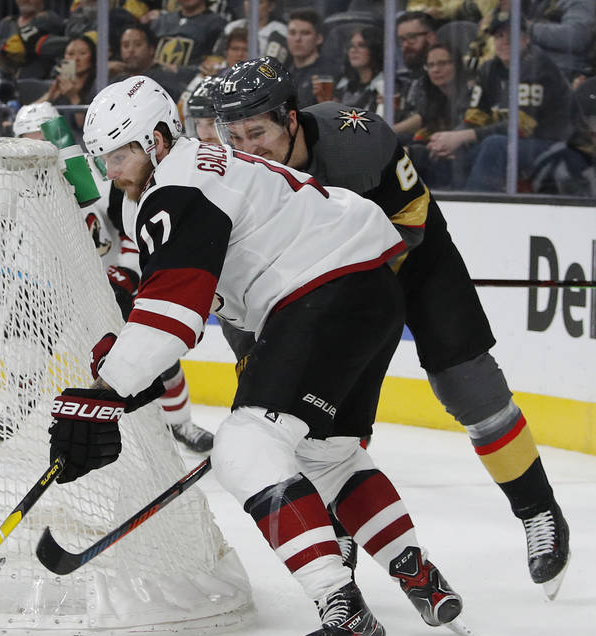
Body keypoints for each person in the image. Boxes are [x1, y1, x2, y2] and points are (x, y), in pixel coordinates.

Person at [51, 75, 466, 636]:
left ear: (158, 138)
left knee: (245, 447)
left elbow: (172, 317)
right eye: (105, 159)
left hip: (322, 289)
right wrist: (118, 373)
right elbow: (163, 306)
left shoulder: (177, 185)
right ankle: (419, 575)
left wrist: (102, 392)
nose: (113, 170)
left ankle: (349, 620)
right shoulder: (195, 171)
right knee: (329, 456)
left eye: (121, 154)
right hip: (368, 288)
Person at [211, 56, 570, 599]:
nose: (246, 149)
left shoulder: (357, 141)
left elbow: (413, 221)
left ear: (290, 119)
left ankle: (537, 508)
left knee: (466, 382)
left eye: (256, 132)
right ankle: (342, 520)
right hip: (317, 293)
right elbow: (237, 286)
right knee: (315, 421)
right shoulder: (233, 178)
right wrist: (253, 357)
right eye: (233, 135)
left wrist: (347, 296)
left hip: (408, 264)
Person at [11, 101, 216, 452]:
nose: (35, 148)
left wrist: (126, 273)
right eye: (24, 139)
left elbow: (134, 227)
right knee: (23, 348)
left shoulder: (96, 175)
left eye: (40, 137)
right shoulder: (13, 183)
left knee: (157, 356)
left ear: (56, 136)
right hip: (52, 282)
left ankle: (181, 424)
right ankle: (16, 409)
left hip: (108, 283)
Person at [446, 15, 590, 192]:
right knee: (454, 154)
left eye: (511, 35)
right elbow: (475, 119)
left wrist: (465, 136)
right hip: (526, 148)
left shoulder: (538, 66)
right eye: (499, 36)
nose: (505, 42)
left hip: (566, 150)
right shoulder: (489, 70)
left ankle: (475, 211)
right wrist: (450, 139)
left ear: (526, 38)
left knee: (495, 145)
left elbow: (522, 127)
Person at [401, 44, 474, 188]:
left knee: (412, 154)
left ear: (457, 65)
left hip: (462, 156)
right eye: (431, 65)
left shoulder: (471, 93)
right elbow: (423, 120)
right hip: (439, 152)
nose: (435, 69)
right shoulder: (435, 98)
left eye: (442, 63)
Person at [36, 35, 99, 138]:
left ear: (92, 57)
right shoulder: (60, 86)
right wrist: (50, 95)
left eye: (82, 53)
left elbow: (85, 126)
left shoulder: (97, 84)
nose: (76, 59)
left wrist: (73, 97)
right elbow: (31, 115)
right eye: (70, 54)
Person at [111, 23, 191, 99]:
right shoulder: (116, 82)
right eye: (126, 45)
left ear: (151, 49)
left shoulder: (165, 78)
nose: (131, 50)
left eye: (138, 44)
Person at [0, 0, 67, 80]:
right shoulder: (6, 24)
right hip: (6, 85)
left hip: (41, 85)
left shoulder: (51, 21)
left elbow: (17, 48)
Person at [393, 11, 441, 137]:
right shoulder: (405, 77)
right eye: (402, 40)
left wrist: (385, 132)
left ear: (431, 37)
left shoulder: (441, 70)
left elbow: (426, 116)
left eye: (411, 37)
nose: (405, 45)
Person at [150, 0, 227, 75]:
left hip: (191, 81)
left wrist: (183, 70)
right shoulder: (162, 20)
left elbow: (215, 61)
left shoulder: (217, 24)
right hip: (154, 77)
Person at [285, 9, 340, 108]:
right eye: (292, 33)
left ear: (319, 39)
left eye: (305, 33)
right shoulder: (285, 73)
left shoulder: (329, 73)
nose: (298, 39)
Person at [332, 26, 387, 119]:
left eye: (362, 45)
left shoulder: (383, 85)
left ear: (374, 50)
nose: (354, 50)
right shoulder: (343, 84)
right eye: (351, 46)